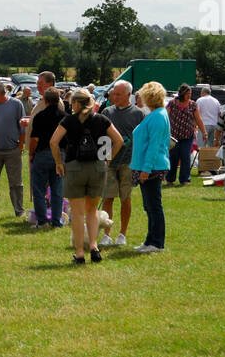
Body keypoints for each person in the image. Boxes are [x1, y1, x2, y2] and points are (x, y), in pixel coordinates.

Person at [51, 89, 122, 263]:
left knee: (77, 213)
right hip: (97, 167)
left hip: (75, 167)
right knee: (92, 211)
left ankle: (80, 253)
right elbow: (119, 140)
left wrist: (59, 162)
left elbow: (53, 142)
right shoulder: (101, 119)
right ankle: (94, 247)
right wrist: (108, 158)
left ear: (76, 103)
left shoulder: (69, 120)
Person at [98, 81, 143, 245]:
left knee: (126, 198)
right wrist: (103, 158)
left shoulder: (138, 114)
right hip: (109, 162)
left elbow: (141, 138)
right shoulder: (107, 112)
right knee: (108, 198)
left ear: (127, 95)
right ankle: (107, 234)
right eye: (113, 94)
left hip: (128, 162)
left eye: (118, 94)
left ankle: (122, 234)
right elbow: (101, 137)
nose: (114, 97)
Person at [130, 81, 171, 253]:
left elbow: (154, 146)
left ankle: (157, 243)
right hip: (147, 165)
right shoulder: (156, 114)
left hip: (152, 167)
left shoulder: (157, 116)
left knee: (154, 205)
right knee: (149, 205)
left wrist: (146, 169)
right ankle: (150, 240)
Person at [0, 79, 27, 219]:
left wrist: (20, 146)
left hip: (12, 150)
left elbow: (22, 127)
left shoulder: (16, 104)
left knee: (16, 183)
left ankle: (19, 210)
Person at [27, 87, 66, 228]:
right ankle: (56, 221)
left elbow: (35, 139)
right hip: (60, 155)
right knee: (57, 190)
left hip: (42, 153)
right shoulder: (65, 116)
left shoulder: (40, 116)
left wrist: (31, 153)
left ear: (45, 100)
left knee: (39, 189)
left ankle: (42, 221)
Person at [166, 84, 205, 185]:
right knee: (173, 157)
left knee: (185, 157)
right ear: (182, 94)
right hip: (174, 136)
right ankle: (170, 179)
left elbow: (198, 119)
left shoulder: (193, 104)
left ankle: (184, 179)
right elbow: (165, 116)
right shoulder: (172, 103)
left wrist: (204, 132)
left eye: (190, 93)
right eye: (187, 94)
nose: (189, 95)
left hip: (187, 136)